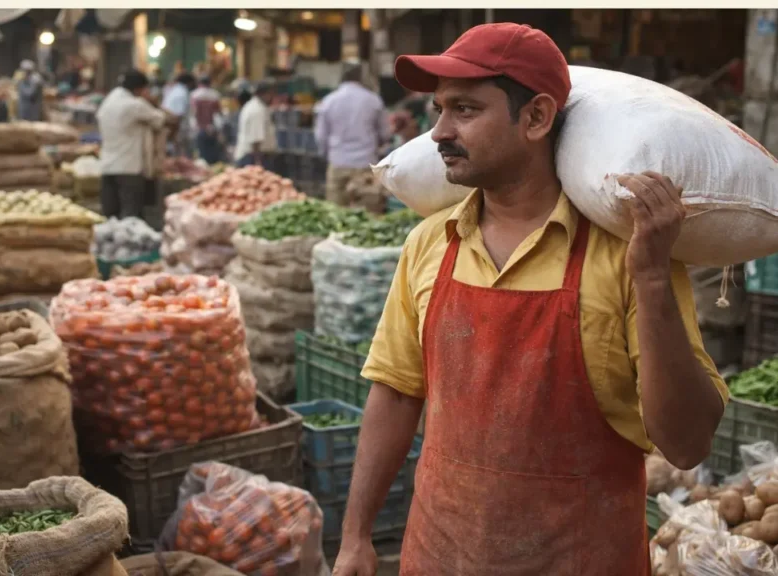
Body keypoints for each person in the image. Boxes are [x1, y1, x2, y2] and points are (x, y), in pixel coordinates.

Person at [332, 23, 727, 576]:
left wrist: (655, 281)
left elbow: (686, 446)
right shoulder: (429, 243)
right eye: (438, 111)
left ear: (537, 117)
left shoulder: (628, 258)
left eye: (465, 110)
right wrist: (355, 536)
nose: (440, 132)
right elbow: (396, 394)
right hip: (438, 556)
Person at [315, 64, 390, 207]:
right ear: (361, 77)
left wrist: (327, 155)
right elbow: (385, 134)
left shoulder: (329, 101)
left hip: (338, 163)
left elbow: (321, 136)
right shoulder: (373, 100)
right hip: (365, 163)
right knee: (366, 214)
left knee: (336, 213)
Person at [96, 69, 167, 219]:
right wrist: (152, 102)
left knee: (111, 216)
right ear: (139, 89)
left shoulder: (108, 102)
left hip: (107, 166)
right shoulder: (135, 105)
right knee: (130, 217)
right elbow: (160, 119)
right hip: (129, 169)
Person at [233, 80, 276, 169]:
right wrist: (258, 162)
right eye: (271, 94)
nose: (273, 97)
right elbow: (255, 138)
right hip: (252, 158)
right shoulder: (256, 110)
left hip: (254, 157)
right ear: (264, 94)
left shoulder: (258, 106)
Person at [191, 75, 225, 165]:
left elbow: (194, 113)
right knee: (213, 153)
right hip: (212, 128)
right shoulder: (215, 95)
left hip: (200, 128)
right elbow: (218, 113)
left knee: (202, 153)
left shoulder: (194, 94)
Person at [161, 73, 196, 157]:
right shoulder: (181, 93)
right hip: (177, 133)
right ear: (190, 83)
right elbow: (177, 116)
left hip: (174, 131)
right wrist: (174, 136)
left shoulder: (174, 91)